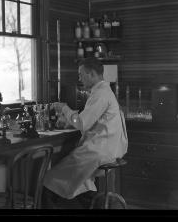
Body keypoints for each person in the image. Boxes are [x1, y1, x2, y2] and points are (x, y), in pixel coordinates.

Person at [42, 57, 128, 209]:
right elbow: (88, 120)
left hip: (99, 152)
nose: (79, 78)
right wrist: (70, 119)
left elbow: (81, 123)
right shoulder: (104, 91)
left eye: (81, 74)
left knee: (49, 180)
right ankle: (89, 203)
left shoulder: (100, 94)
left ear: (91, 74)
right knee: (83, 181)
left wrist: (64, 108)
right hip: (108, 148)